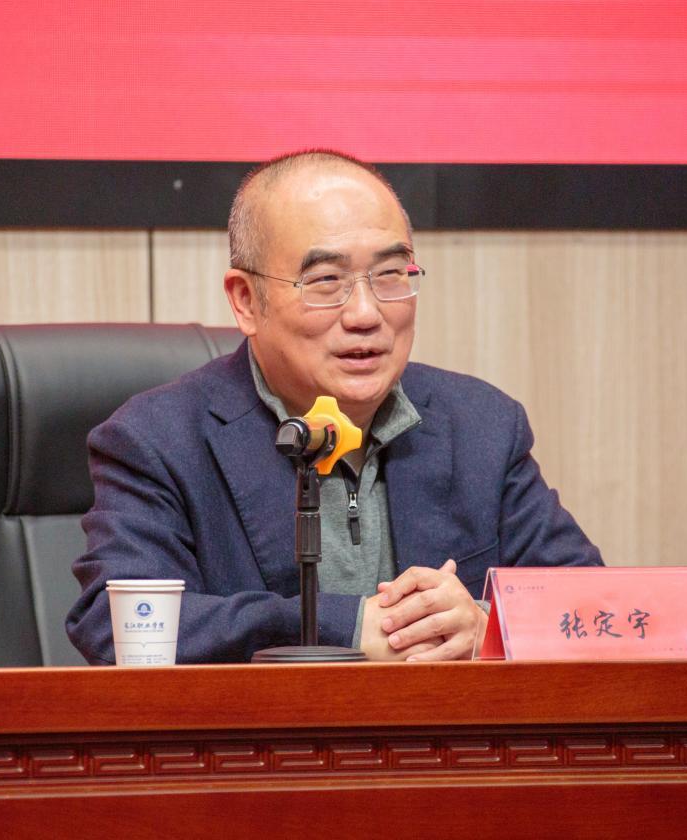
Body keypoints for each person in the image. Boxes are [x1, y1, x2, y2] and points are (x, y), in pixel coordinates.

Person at [67, 150, 602, 664]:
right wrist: (345, 628)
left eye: (390, 274)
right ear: (246, 300)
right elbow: (117, 629)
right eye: (326, 281)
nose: (366, 314)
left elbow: (596, 612)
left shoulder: (481, 425)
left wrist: (489, 629)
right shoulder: (158, 441)